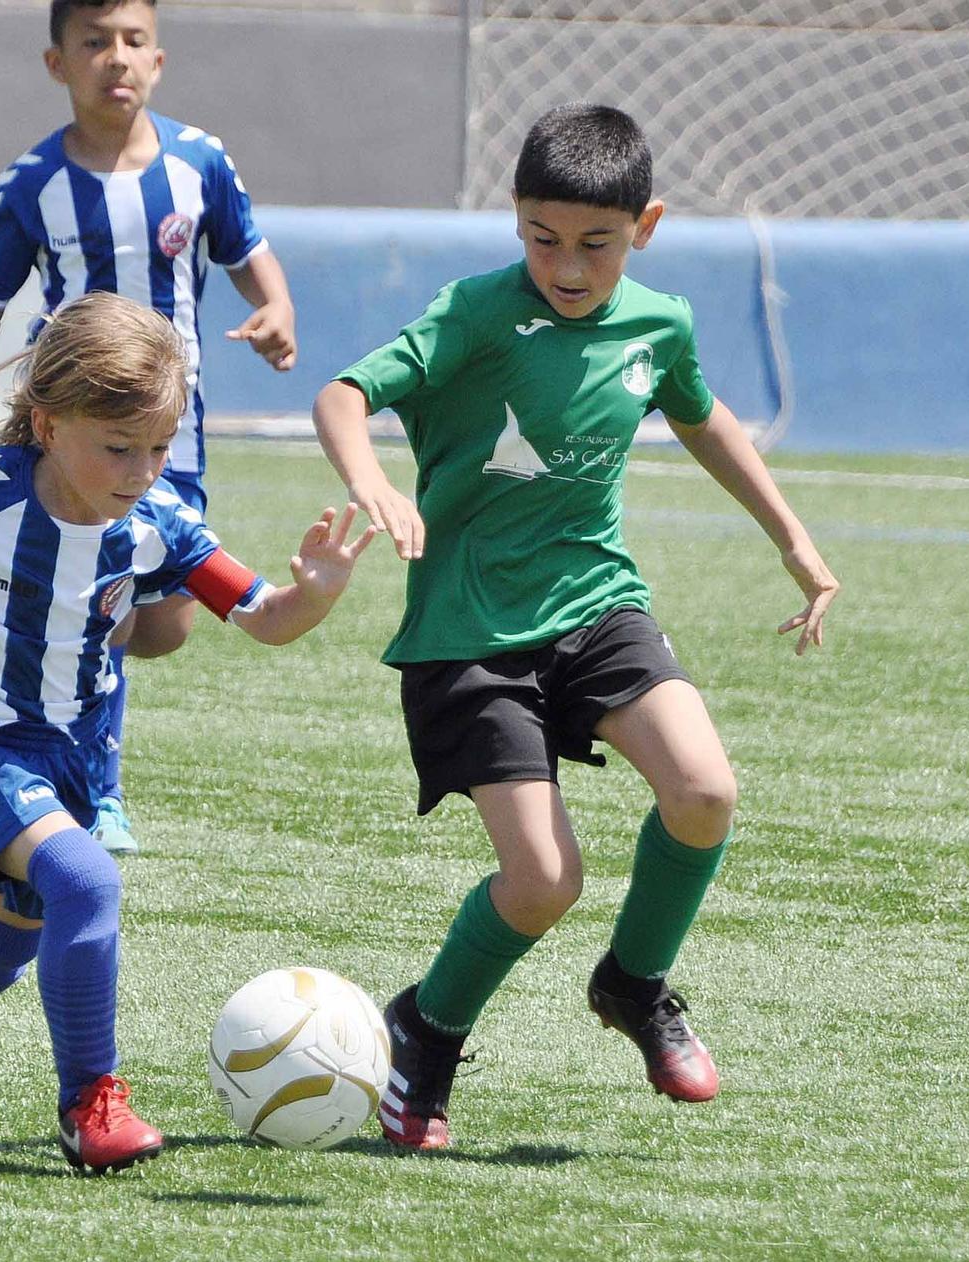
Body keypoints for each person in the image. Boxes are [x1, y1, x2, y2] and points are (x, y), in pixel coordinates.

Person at [313, 104, 840, 1149]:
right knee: (544, 880)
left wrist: (789, 535)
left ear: (642, 228)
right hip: (467, 632)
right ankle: (424, 1027)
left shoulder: (660, 322)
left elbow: (697, 412)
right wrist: (370, 476)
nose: (564, 264)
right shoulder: (471, 313)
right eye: (541, 238)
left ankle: (633, 983)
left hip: (596, 603)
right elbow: (342, 393)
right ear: (514, 219)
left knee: (703, 790)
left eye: (593, 244)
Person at [0, 292, 371, 1173]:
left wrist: (318, 594)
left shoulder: (158, 523)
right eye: (119, 447)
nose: (142, 470)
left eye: (158, 447)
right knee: (84, 880)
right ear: (47, 422)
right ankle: (90, 1105)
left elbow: (263, 616)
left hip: (75, 760)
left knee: (4, 937)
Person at [0, 0, 298, 855]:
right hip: (68, 436)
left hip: (167, 437)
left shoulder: (200, 163)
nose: (116, 58)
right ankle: (89, 789)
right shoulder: (32, 181)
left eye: (133, 42)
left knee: (162, 624)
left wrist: (278, 308)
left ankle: (58, 736)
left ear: (159, 60)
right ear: (57, 63)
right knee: (96, 607)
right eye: (94, 43)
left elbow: (249, 257)